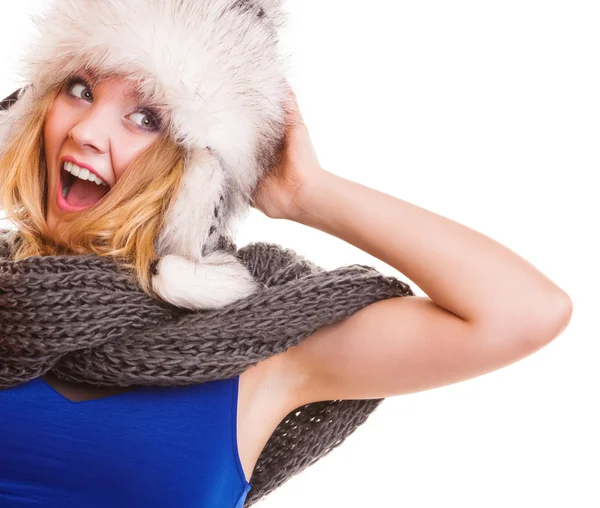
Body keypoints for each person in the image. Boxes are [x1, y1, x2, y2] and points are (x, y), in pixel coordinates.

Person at [0, 2, 573, 507]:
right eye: (79, 89)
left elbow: (522, 312)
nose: (87, 130)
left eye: (147, 117)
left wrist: (308, 195)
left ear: (197, 170)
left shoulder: (266, 352)